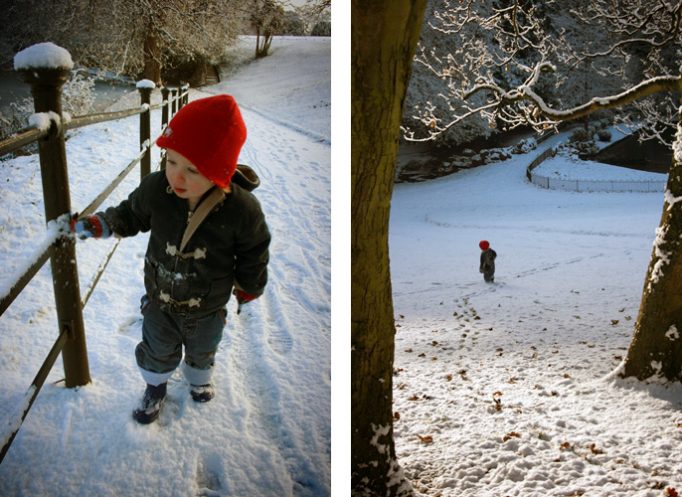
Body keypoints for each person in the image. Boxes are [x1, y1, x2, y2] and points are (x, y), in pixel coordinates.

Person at [70, 94, 271, 424]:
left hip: (208, 305)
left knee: (202, 351)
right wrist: (102, 223)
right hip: (160, 299)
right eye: (171, 160)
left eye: (192, 169)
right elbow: (131, 214)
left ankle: (198, 379)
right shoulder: (157, 189)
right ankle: (155, 387)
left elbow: (254, 251)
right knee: (157, 351)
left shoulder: (240, 209)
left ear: (219, 170)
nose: (176, 177)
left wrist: (249, 285)